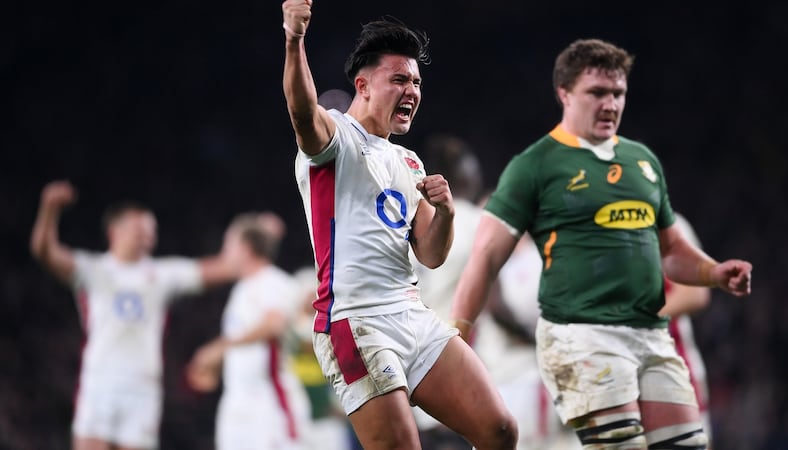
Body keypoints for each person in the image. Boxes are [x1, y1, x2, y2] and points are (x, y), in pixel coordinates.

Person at [451, 38, 752, 449]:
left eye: (618, 93)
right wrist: (458, 339)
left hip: (650, 339)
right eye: (597, 92)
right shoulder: (535, 166)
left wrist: (713, 272)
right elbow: (485, 258)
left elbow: (672, 252)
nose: (610, 104)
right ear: (564, 93)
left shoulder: (641, 162)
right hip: (583, 338)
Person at [281, 1, 517, 449]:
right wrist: (295, 40)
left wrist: (445, 213)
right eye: (399, 80)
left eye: (416, 82)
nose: (412, 90)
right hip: (355, 321)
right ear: (363, 86)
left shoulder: (407, 161)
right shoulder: (336, 137)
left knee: (499, 430)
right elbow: (302, 112)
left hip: (411, 314)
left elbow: (431, 253)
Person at [29, 180, 235, 450]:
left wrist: (244, 236)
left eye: (151, 230)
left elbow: (221, 268)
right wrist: (49, 209)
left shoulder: (163, 274)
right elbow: (44, 252)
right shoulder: (91, 270)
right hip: (100, 382)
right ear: (114, 231)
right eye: (140, 229)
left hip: (142, 388)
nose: (148, 235)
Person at [187, 212, 312, 450]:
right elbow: (245, 340)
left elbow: (274, 324)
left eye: (228, 245)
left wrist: (219, 348)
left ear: (245, 249)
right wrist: (218, 364)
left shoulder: (274, 281)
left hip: (269, 404)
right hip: (237, 403)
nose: (224, 253)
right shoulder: (241, 290)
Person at [472, 235, 581, 450]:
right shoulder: (495, 260)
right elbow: (497, 309)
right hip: (504, 372)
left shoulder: (538, 258)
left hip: (534, 374)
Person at [410, 135, 485, 450]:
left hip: (416, 352)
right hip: (464, 353)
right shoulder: (478, 222)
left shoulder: (415, 221)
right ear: (464, 174)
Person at [659, 213, 714, 447]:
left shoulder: (667, 224)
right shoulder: (591, 231)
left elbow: (695, 293)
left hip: (672, 376)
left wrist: (633, 319)